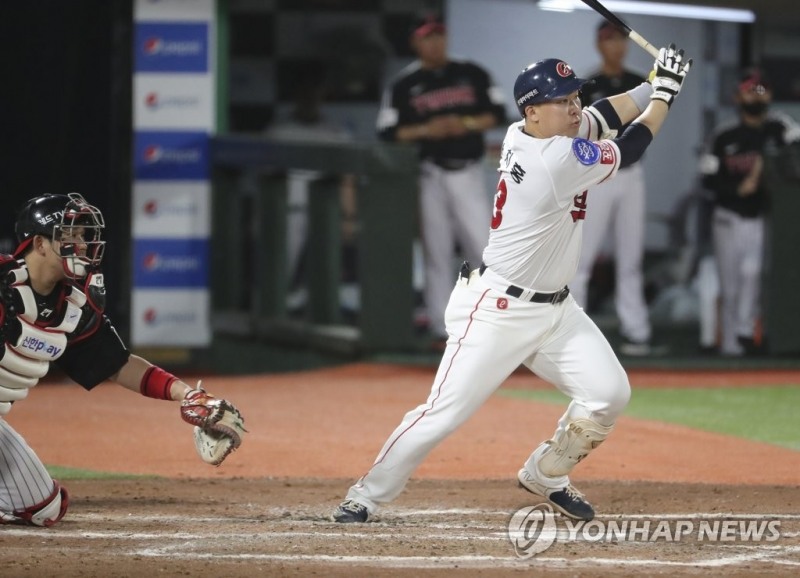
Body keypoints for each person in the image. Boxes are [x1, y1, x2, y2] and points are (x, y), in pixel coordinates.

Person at [331, 46, 691, 523]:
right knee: (442, 414)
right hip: (498, 310)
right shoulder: (554, 158)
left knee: (608, 394)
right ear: (532, 110)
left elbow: (603, 114)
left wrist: (651, 82)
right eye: (562, 100)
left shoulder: (531, 132)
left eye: (573, 96)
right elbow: (628, 148)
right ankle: (366, 494)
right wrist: (666, 93)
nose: (573, 106)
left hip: (557, 311)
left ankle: (546, 473)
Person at [0, 193, 245, 527]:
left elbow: (117, 364)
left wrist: (187, 394)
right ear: (40, 244)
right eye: (70, 235)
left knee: (44, 509)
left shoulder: (72, 306)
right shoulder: (3, 284)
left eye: (83, 235)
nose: (82, 244)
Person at [376, 15, 507, 344]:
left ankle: (498, 320)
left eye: (439, 36)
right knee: (436, 252)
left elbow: (499, 112)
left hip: (467, 171)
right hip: (430, 173)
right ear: (415, 43)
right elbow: (387, 131)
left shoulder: (471, 72)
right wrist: (426, 129)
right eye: (427, 37)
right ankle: (440, 325)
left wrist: (466, 123)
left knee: (484, 249)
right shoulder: (404, 84)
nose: (435, 43)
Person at [698, 68, 800, 356]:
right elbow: (707, 178)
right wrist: (736, 189)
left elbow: (795, 147)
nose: (755, 95)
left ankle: (745, 331)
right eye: (749, 89)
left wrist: (769, 163)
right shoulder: (723, 135)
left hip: (763, 217)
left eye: (761, 89)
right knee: (730, 286)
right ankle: (732, 348)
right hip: (728, 216)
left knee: (753, 274)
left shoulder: (780, 127)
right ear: (737, 96)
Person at [572, 21, 658, 356]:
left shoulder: (639, 82)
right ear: (599, 43)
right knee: (582, 257)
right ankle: (573, 331)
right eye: (609, 40)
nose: (616, 46)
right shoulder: (587, 84)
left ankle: (637, 331)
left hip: (631, 174)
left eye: (620, 39)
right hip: (597, 176)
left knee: (631, 257)